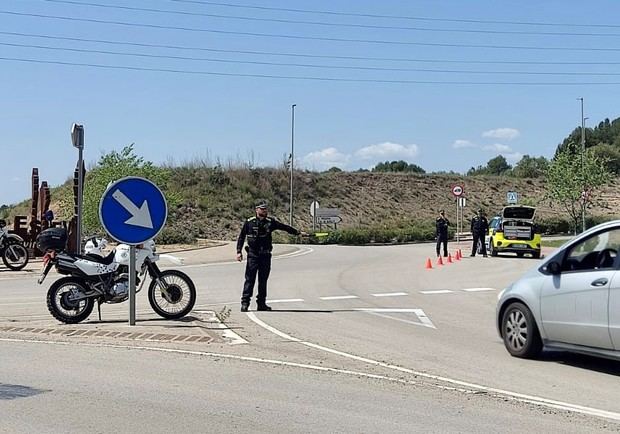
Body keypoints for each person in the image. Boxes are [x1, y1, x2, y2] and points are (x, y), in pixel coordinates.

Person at [236, 199, 304, 312]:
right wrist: (239, 251)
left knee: (263, 281)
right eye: (262, 209)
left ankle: (261, 304)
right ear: (256, 210)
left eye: (265, 209)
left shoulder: (270, 222)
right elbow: (241, 236)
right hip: (253, 255)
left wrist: (297, 232)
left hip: (265, 255)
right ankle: (245, 303)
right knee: (249, 280)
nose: (264, 211)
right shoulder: (249, 222)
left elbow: (284, 227)